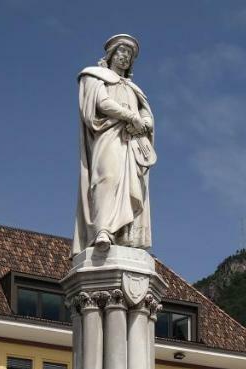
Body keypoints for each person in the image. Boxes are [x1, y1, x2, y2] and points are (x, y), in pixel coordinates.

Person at [74, 34, 156, 254]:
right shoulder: (95, 76)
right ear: (111, 54)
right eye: (122, 52)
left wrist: (145, 122)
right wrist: (130, 116)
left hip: (131, 143)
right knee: (106, 178)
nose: (125, 58)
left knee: (132, 185)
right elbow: (102, 103)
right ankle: (102, 230)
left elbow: (146, 115)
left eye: (129, 55)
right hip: (108, 136)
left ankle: (125, 234)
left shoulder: (133, 88)